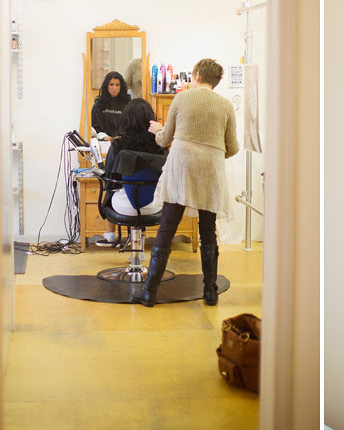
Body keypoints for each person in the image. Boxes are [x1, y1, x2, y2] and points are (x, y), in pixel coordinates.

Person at [133, 58, 239, 307]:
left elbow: (164, 140)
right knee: (208, 232)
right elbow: (232, 147)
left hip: (181, 170)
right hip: (210, 172)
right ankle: (210, 292)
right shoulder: (226, 106)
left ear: (198, 75)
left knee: (167, 228)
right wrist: (210, 152)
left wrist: (159, 130)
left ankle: (149, 292)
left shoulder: (181, 98)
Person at [97, 98, 167, 245]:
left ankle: (111, 233)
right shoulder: (160, 146)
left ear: (126, 120)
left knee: (112, 189)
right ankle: (139, 240)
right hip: (155, 206)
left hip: (125, 207)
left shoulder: (118, 145)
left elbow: (110, 178)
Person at [91, 71, 129, 140]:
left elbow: (130, 125)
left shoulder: (127, 104)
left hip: (122, 141)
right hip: (104, 141)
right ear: (106, 86)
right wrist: (104, 137)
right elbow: (95, 127)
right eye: (111, 84)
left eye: (117, 85)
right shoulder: (98, 104)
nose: (114, 88)